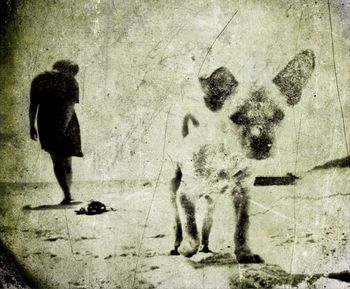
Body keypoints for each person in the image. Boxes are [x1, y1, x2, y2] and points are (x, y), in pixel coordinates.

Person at [29, 60, 83, 204]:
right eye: (73, 73)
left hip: (45, 121)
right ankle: (67, 194)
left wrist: (31, 125)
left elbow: (33, 105)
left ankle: (67, 194)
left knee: (57, 161)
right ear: (69, 70)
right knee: (66, 161)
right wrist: (63, 128)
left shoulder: (39, 79)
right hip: (67, 122)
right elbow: (69, 107)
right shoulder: (71, 81)